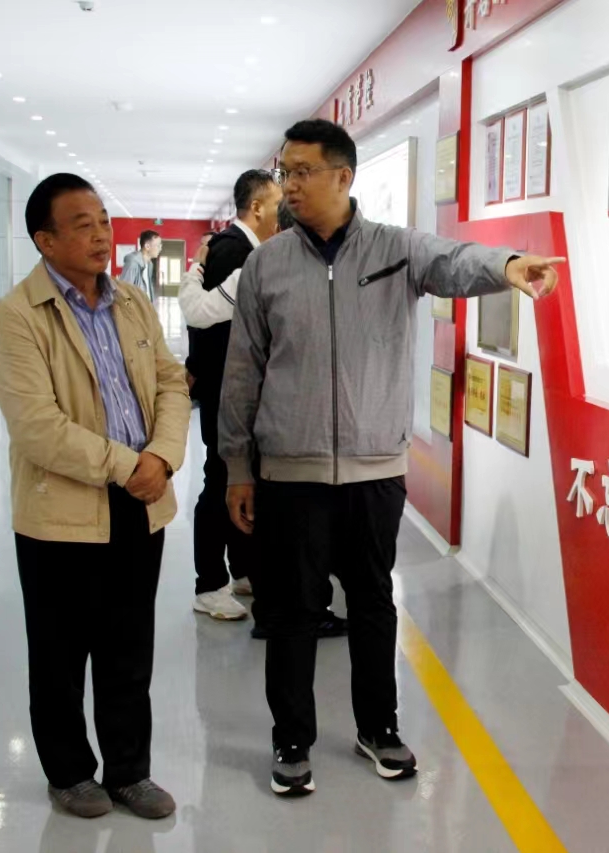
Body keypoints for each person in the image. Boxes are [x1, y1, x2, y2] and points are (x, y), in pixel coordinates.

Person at [219, 119, 562, 797]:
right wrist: (237, 466)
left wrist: (508, 266)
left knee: (374, 603)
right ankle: (292, 739)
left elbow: (453, 259)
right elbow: (242, 370)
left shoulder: (395, 249)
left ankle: (378, 728)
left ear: (343, 176)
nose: (289, 185)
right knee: (292, 612)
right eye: (285, 173)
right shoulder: (266, 265)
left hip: (375, 472)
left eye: (302, 172)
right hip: (290, 473)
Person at [0, 174, 189, 820]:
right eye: (82, 224)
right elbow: (37, 427)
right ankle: (70, 772)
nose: (101, 234)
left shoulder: (131, 301)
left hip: (140, 501)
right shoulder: (18, 316)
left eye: (103, 220)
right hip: (60, 515)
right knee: (60, 650)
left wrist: (163, 456)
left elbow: (171, 382)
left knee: (129, 646)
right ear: (44, 240)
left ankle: (130, 771)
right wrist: (129, 464)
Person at [178, 193, 350, 638]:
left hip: (255, 402)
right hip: (245, 401)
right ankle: (222, 585)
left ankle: (250, 579)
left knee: (244, 490)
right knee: (228, 485)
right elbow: (202, 316)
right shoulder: (248, 259)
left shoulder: (246, 255)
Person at [180, 169, 280, 623]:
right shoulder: (234, 252)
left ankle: (241, 569)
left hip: (231, 389)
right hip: (226, 391)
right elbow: (206, 323)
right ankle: (208, 583)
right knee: (220, 480)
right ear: (256, 207)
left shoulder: (236, 249)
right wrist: (205, 375)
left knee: (240, 479)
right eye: (278, 203)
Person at [120, 230, 161, 301]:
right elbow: (123, 291)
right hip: (135, 307)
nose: (160, 249)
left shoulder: (150, 265)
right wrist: (129, 306)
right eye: (158, 246)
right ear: (147, 246)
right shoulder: (133, 262)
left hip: (145, 306)